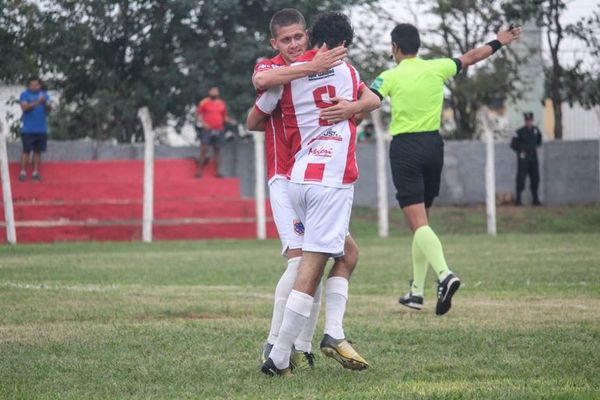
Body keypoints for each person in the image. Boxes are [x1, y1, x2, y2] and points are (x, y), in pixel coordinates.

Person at [249, 11, 381, 376]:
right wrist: (351, 103)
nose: (293, 45)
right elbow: (375, 99)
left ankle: (331, 334)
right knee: (306, 269)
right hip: (328, 184)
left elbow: (264, 89)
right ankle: (277, 353)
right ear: (342, 46)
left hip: (300, 179)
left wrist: (349, 104)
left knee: (348, 254)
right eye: (285, 40)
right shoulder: (348, 72)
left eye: (298, 39)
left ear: (310, 37)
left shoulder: (288, 80)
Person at [360, 23, 521, 315]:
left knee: (418, 224)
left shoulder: (389, 76)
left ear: (395, 47)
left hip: (406, 150)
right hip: (434, 147)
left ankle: (445, 275)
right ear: (418, 46)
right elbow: (472, 56)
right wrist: (499, 42)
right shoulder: (437, 68)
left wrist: (343, 108)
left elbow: (368, 102)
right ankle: (416, 293)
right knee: (423, 223)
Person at [195, 87, 236, 178]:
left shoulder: (222, 103)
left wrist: (231, 121)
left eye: (216, 91)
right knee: (204, 149)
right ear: (209, 92)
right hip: (207, 129)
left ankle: (217, 172)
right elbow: (198, 114)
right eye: (213, 91)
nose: (214, 92)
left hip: (219, 129)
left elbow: (224, 117)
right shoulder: (204, 102)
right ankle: (199, 171)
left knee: (217, 150)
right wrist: (203, 123)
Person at [19, 76, 52, 182]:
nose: (34, 87)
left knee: (38, 151)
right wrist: (38, 101)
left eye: (36, 85)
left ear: (39, 85)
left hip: (41, 129)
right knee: (26, 150)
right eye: (32, 85)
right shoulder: (24, 95)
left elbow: (49, 108)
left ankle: (35, 172)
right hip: (28, 129)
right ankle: (23, 172)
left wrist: (44, 103)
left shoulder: (45, 95)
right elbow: (24, 107)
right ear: (29, 85)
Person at [511, 112, 542, 206]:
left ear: (532, 121)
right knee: (521, 178)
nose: (529, 122)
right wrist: (521, 151)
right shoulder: (519, 132)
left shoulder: (536, 130)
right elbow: (513, 144)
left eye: (530, 120)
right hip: (523, 159)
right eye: (527, 120)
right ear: (525, 121)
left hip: (533, 158)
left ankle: (535, 200)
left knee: (535, 178)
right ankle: (518, 200)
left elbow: (539, 141)